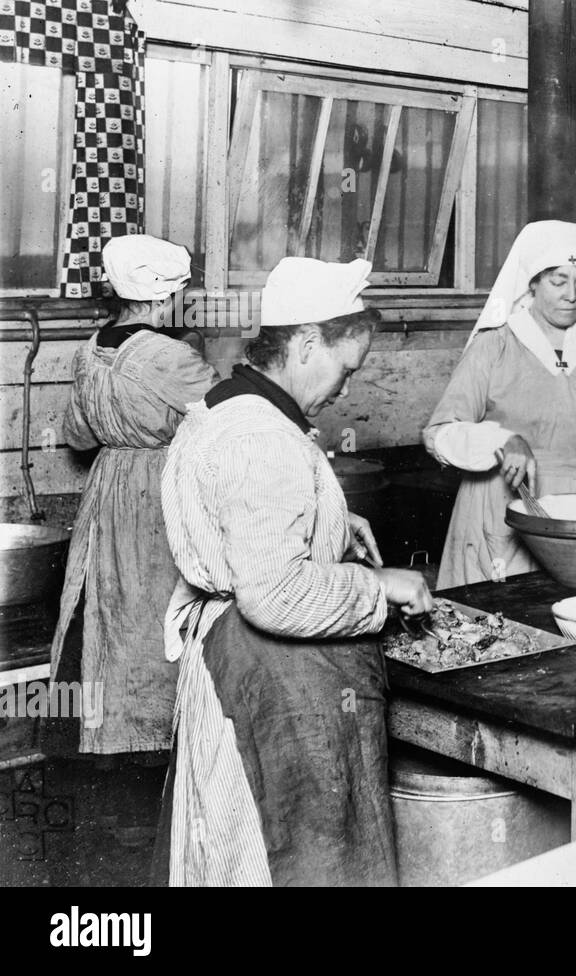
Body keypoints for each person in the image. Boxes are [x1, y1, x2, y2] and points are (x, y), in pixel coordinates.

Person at [161, 256, 435, 886]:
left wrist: (331, 525)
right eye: (346, 368)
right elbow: (275, 594)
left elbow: (251, 524)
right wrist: (378, 585)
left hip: (236, 660)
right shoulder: (260, 438)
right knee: (283, 852)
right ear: (308, 341)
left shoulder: (229, 404)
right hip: (265, 675)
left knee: (238, 848)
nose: (346, 388)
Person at [424, 221, 576, 590]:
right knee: (503, 626)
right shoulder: (494, 346)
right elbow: (440, 433)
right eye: (558, 280)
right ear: (532, 282)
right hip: (505, 507)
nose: (571, 294)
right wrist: (500, 441)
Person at [48, 234, 218, 758]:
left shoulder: (90, 350)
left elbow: (77, 434)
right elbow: (231, 421)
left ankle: (102, 735)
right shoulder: (172, 356)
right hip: (161, 492)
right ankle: (155, 741)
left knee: (104, 607)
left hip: (106, 490)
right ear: (166, 296)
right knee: (155, 613)